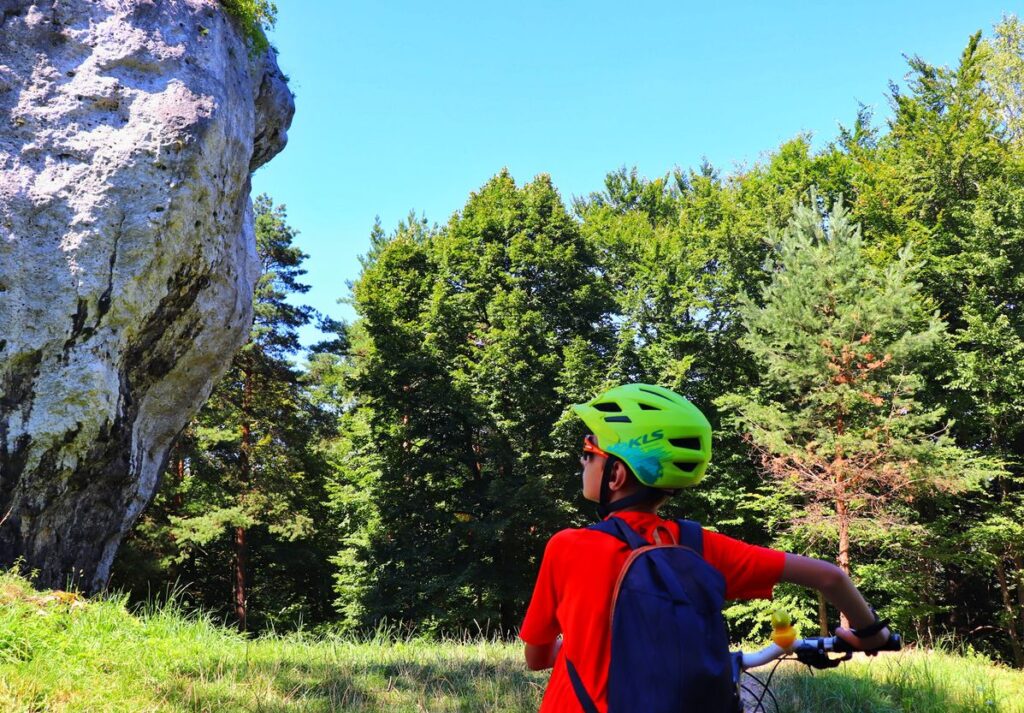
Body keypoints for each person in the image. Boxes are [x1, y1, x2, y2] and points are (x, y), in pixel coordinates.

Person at [520, 383, 892, 712]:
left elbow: (536, 657)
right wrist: (871, 632)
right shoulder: (699, 546)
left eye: (589, 450)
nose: (583, 460)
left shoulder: (568, 547)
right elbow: (828, 577)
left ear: (616, 475)